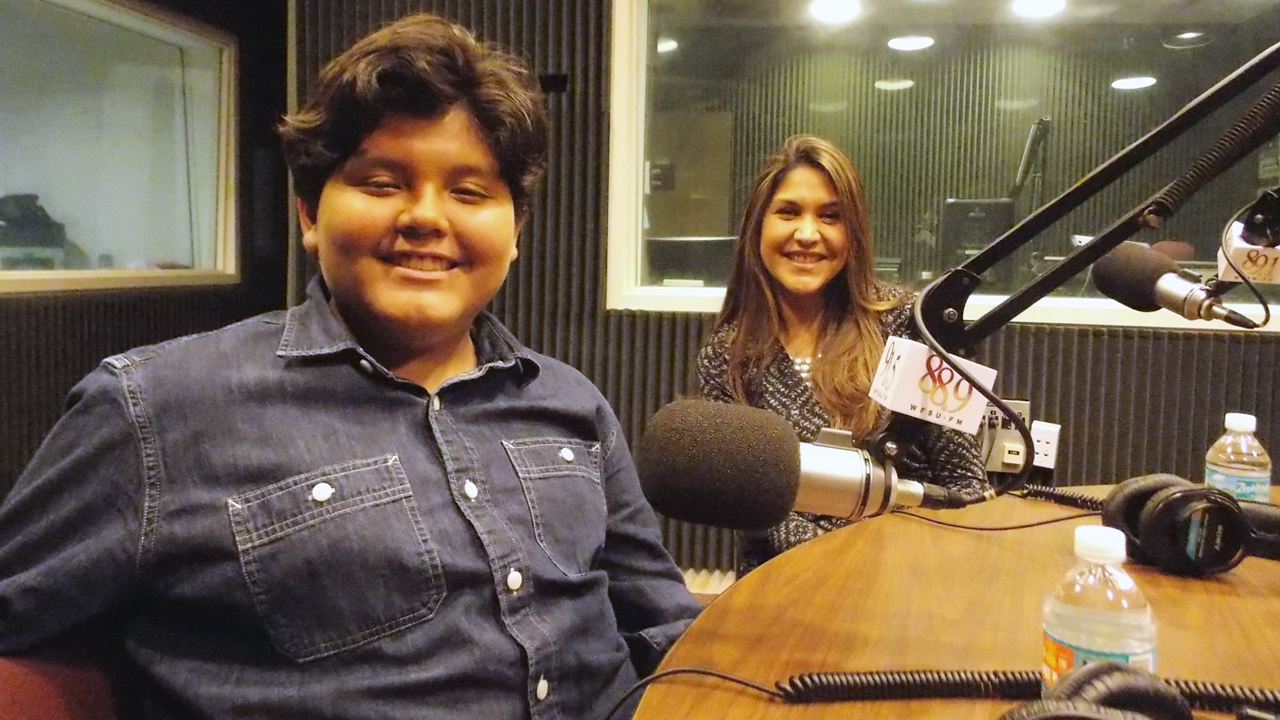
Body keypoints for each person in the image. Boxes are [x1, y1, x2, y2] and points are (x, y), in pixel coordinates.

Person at [0, 13, 700, 720]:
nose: (427, 217)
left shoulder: (570, 401)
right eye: (381, 181)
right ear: (309, 213)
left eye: (470, 192)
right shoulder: (154, 408)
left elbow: (662, 623)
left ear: (515, 232)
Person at [696, 134, 990, 575]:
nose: (808, 234)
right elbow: (754, 508)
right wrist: (843, 562)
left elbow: (967, 486)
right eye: (789, 212)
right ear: (758, 226)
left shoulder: (912, 324)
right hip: (786, 580)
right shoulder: (726, 356)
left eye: (830, 217)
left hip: (912, 578)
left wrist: (884, 563)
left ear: (852, 234)